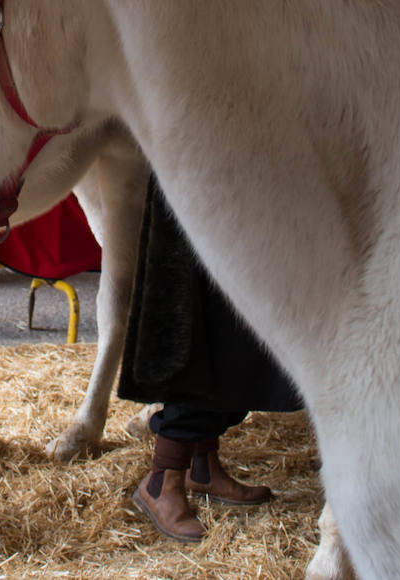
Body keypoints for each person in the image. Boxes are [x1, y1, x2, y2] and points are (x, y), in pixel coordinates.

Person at [121, 181, 303, 543]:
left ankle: (202, 466)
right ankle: (162, 480)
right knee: (203, 316)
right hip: (201, 177)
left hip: (238, 172)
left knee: (233, 321)